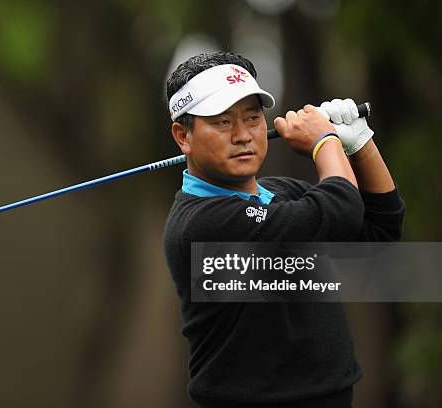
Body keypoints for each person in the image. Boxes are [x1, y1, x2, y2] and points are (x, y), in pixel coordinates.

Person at [163, 51, 405, 408]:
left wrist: (359, 142)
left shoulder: (282, 194)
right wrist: (325, 142)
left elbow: (378, 234)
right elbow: (339, 209)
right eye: (223, 123)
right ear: (183, 136)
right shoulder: (201, 222)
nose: (243, 136)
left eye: (253, 118)